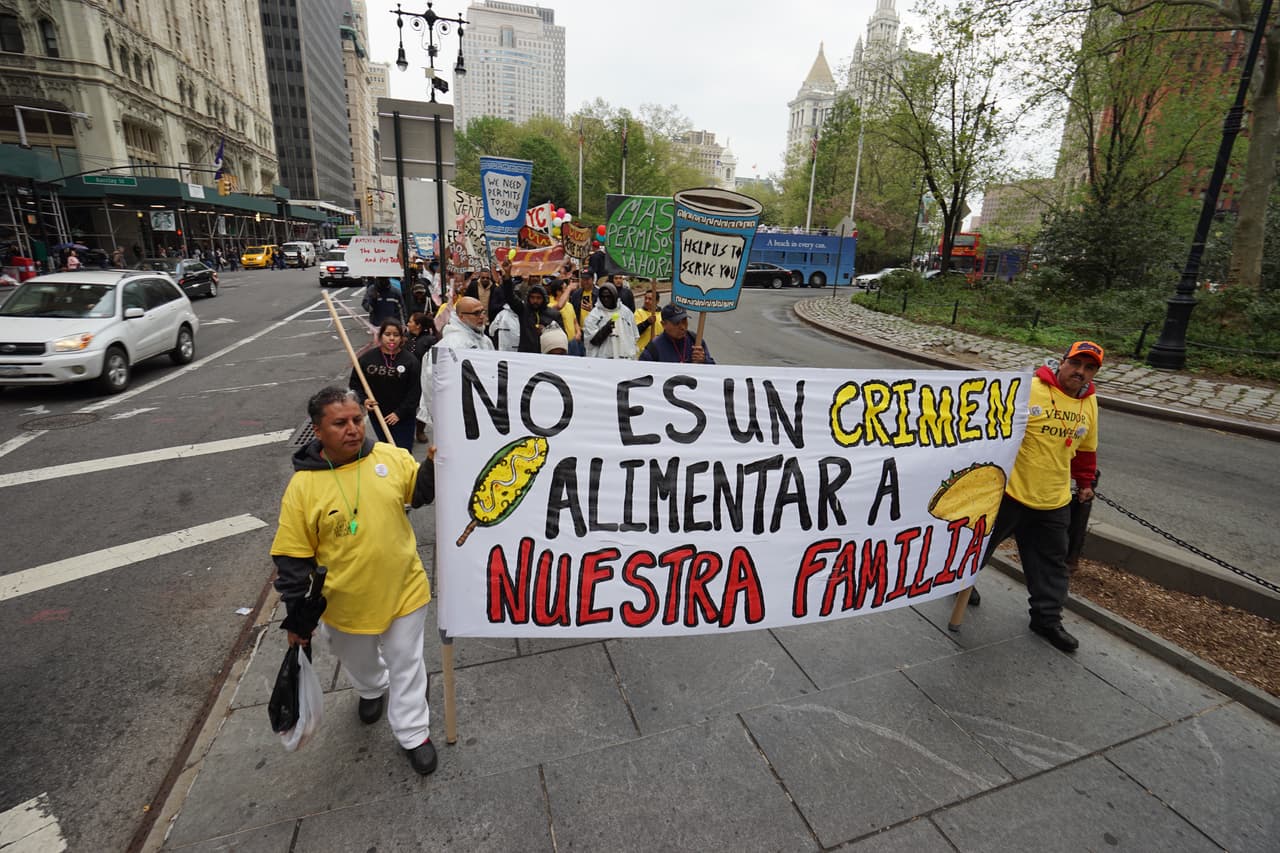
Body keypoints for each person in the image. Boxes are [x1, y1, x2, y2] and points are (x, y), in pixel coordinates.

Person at [270, 386, 438, 776]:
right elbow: (293, 559)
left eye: (357, 420)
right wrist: (298, 620)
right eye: (340, 423)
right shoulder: (302, 489)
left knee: (407, 662)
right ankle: (370, 687)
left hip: (404, 588)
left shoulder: (391, 457)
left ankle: (414, 732)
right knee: (358, 660)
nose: (353, 429)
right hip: (344, 605)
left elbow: (421, 493)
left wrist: (432, 465)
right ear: (317, 430)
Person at [974, 341, 1104, 653]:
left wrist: (1085, 482)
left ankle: (1046, 619)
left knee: (1052, 564)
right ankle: (961, 585)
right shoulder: (1028, 389)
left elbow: (1086, 450)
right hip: (1009, 492)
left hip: (1053, 499)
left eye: (1089, 368)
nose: (1080, 372)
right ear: (1062, 362)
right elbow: (991, 428)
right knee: (977, 548)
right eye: (1076, 364)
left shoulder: (1090, 404)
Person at [417, 295, 493, 439]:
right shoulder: (450, 345)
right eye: (476, 313)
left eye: (483, 312)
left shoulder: (485, 340)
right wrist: (441, 416)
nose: (482, 316)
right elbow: (431, 383)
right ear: (461, 317)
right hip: (459, 417)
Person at [349, 319, 420, 452]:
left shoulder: (410, 361)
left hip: (403, 418)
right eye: (387, 334)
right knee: (386, 451)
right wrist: (364, 400)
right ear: (380, 336)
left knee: (402, 453)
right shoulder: (367, 358)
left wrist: (399, 413)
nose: (391, 338)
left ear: (401, 338)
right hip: (378, 415)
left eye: (396, 335)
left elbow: (415, 391)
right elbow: (355, 383)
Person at [640, 303, 714, 364]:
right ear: (663, 324)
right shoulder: (654, 348)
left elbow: (714, 370)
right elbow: (641, 374)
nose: (683, 327)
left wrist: (704, 360)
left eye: (684, 321)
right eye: (677, 323)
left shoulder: (695, 341)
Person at [583, 282, 638, 359]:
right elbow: (591, 342)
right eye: (603, 297)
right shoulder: (594, 315)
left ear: (614, 296)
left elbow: (634, 337)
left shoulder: (626, 313)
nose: (606, 299)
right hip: (603, 359)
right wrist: (606, 329)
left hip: (624, 358)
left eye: (608, 297)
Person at [634, 287, 663, 357]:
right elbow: (635, 332)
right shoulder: (638, 313)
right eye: (645, 298)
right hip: (642, 354)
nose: (647, 301)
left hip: (658, 353)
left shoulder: (663, 314)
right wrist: (647, 322)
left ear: (657, 301)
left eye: (650, 299)